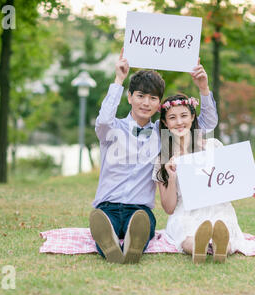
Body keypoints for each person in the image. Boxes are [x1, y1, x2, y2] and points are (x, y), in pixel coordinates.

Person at [89, 48, 218, 264]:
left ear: (159, 105)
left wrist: (203, 88)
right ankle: (108, 244)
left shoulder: (163, 132)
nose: (145, 103)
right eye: (140, 96)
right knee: (105, 226)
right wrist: (118, 79)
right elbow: (102, 120)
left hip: (139, 209)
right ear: (129, 97)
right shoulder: (112, 129)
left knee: (142, 225)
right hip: (107, 205)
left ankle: (134, 245)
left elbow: (206, 124)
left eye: (152, 98)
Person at [152, 93, 255, 264]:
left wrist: (251, 187)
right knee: (187, 236)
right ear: (165, 123)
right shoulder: (164, 159)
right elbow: (168, 208)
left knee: (222, 232)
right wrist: (173, 176)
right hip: (185, 212)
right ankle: (200, 247)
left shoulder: (213, 146)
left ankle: (220, 249)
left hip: (217, 209)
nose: (179, 122)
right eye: (172, 118)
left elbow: (230, 179)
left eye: (184, 115)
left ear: (192, 117)